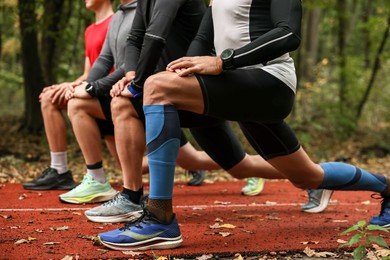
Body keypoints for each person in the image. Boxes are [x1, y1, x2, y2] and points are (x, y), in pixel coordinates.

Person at [97, 0, 390, 251]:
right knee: (307, 176)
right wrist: (181, 69)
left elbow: (288, 34)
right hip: (237, 85)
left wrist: (224, 62)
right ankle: (388, 187)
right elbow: (201, 41)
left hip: (270, 85)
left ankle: (159, 218)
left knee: (157, 87)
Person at [63, 0, 225, 207]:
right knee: (136, 158)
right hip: (151, 89)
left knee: (232, 164)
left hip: (182, 89)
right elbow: (114, 55)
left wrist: (96, 88)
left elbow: (152, 42)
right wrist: (87, 84)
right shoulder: (125, 14)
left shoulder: (145, 9)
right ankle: (121, 190)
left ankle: (127, 194)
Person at [23, 0, 116, 193]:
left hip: (112, 99)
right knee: (49, 96)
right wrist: (68, 85)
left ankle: (193, 162)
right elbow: (88, 73)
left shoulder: (118, 21)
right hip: (91, 96)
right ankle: (59, 170)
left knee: (138, 165)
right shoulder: (89, 30)